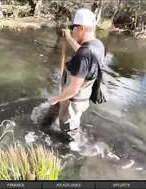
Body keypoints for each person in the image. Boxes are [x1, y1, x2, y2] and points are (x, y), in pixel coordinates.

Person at [42, 8, 105, 147]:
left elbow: (74, 89)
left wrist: (56, 98)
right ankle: (45, 127)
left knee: (68, 130)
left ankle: (72, 149)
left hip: (72, 100)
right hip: (73, 97)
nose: (71, 30)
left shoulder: (84, 55)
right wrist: (69, 39)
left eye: (73, 27)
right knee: (51, 115)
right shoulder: (97, 45)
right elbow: (83, 53)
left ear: (81, 28)